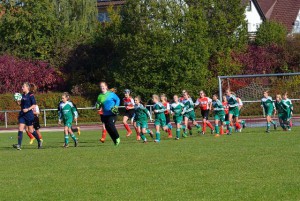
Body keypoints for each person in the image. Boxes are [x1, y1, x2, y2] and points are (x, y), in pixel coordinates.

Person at [13, 82, 42, 150]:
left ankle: (39, 141)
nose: (22, 88)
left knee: (31, 130)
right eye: (22, 87)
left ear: (27, 88)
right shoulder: (22, 96)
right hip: (22, 115)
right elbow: (21, 105)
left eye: (23, 87)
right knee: (20, 128)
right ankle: (19, 145)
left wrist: (28, 109)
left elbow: (34, 105)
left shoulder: (31, 95)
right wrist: (18, 101)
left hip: (29, 115)